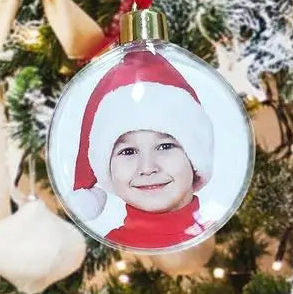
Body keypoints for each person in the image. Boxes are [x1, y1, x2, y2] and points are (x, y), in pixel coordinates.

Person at [67, 48, 215, 250]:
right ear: (106, 166)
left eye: (165, 146)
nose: (147, 168)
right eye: (128, 151)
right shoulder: (109, 253)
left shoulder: (226, 240)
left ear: (195, 159)